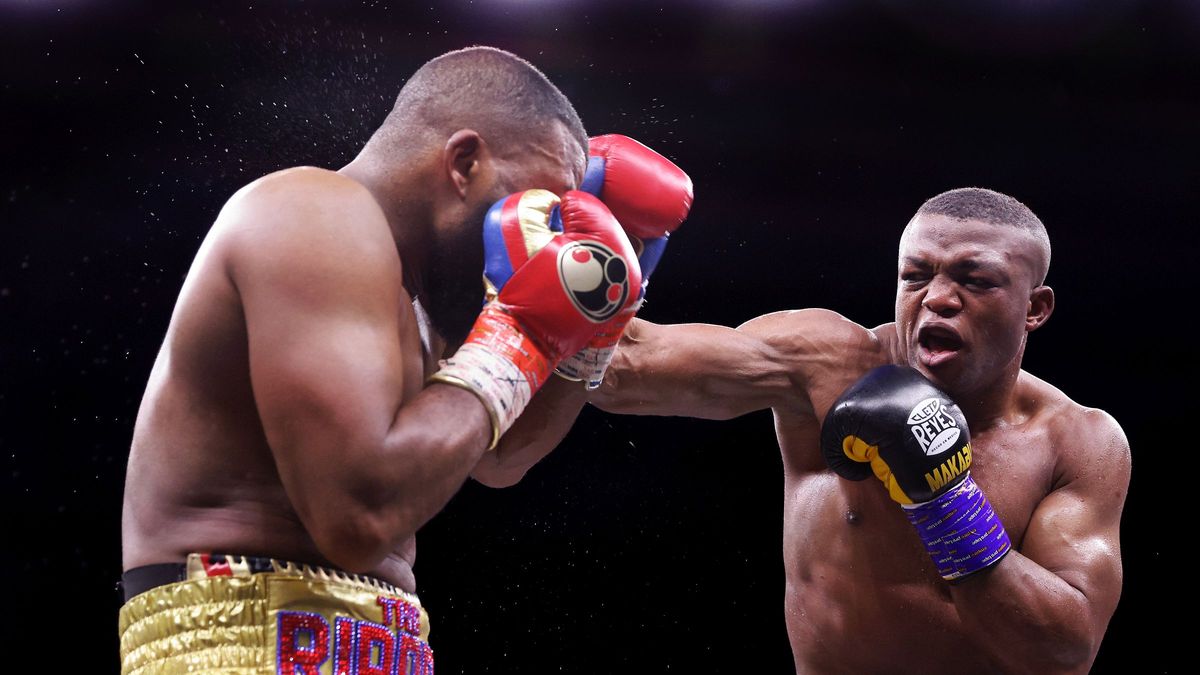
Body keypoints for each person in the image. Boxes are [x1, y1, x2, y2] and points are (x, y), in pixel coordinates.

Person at [117, 45, 690, 674]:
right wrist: (523, 328)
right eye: (528, 207)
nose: (536, 243)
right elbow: (360, 516)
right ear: (464, 162)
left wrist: (590, 333)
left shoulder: (414, 298)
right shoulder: (314, 212)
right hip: (239, 639)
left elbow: (500, 454)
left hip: (377, 643)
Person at [507, 187, 1129, 672]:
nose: (937, 298)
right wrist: (566, 284)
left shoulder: (1078, 442)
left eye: (975, 280)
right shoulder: (825, 362)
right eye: (916, 276)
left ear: (1036, 309)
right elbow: (625, 372)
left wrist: (946, 502)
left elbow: (1065, 650)